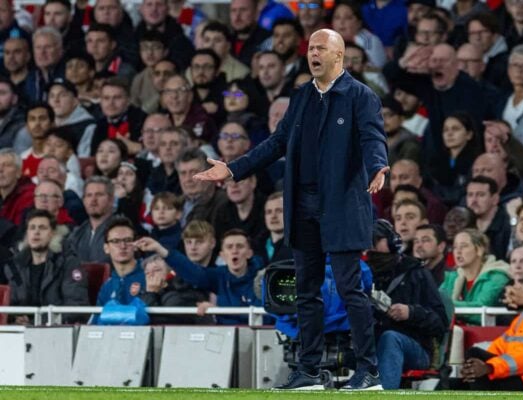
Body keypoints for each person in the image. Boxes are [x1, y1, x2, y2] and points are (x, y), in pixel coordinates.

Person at [194, 29, 388, 390]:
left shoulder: (361, 96)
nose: (312, 53)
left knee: (349, 289)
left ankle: (369, 371)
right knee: (306, 290)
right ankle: (310, 370)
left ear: (339, 56)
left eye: (320, 48)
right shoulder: (300, 96)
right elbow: (278, 142)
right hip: (302, 204)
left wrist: (379, 164)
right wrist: (233, 168)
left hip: (343, 205)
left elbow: (372, 136)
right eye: (310, 48)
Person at [368, 219, 447, 390]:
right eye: (368, 244)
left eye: (375, 242)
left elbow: (440, 322)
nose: (371, 249)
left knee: (390, 338)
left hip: (416, 348)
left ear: (393, 243)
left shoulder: (416, 273)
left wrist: (411, 313)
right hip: (372, 344)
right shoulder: (364, 274)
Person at [135, 229, 264, 324]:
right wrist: (160, 249)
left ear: (249, 253)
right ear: (223, 255)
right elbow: (192, 272)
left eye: (240, 246)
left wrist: (219, 311)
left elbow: (266, 317)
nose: (234, 251)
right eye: (229, 247)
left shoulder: (262, 280)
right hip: (227, 339)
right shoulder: (219, 275)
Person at [3, 209, 88, 324]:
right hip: (20, 331)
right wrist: (14, 318)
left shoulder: (68, 263)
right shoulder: (16, 266)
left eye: (42, 228)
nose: (36, 232)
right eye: (32, 228)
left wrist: (36, 322)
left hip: (56, 331)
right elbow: (10, 303)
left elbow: (76, 306)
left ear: (52, 233)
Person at [440, 228, 510, 325]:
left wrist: (447, 305)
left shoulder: (496, 276)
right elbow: (437, 300)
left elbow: (480, 310)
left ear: (479, 250)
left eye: (463, 246)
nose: (458, 251)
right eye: (455, 247)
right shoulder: (452, 277)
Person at [95, 216, 146, 307]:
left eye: (127, 240)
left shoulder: (149, 276)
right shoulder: (106, 287)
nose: (122, 246)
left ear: (135, 245)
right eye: (115, 241)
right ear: (106, 248)